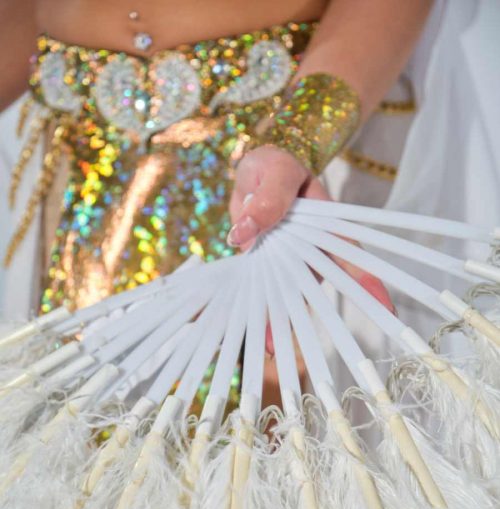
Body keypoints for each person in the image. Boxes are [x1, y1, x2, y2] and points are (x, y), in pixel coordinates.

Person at [0, 0, 498, 404]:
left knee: (259, 476)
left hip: (275, 179)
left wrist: (299, 139)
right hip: (82, 196)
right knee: (82, 464)